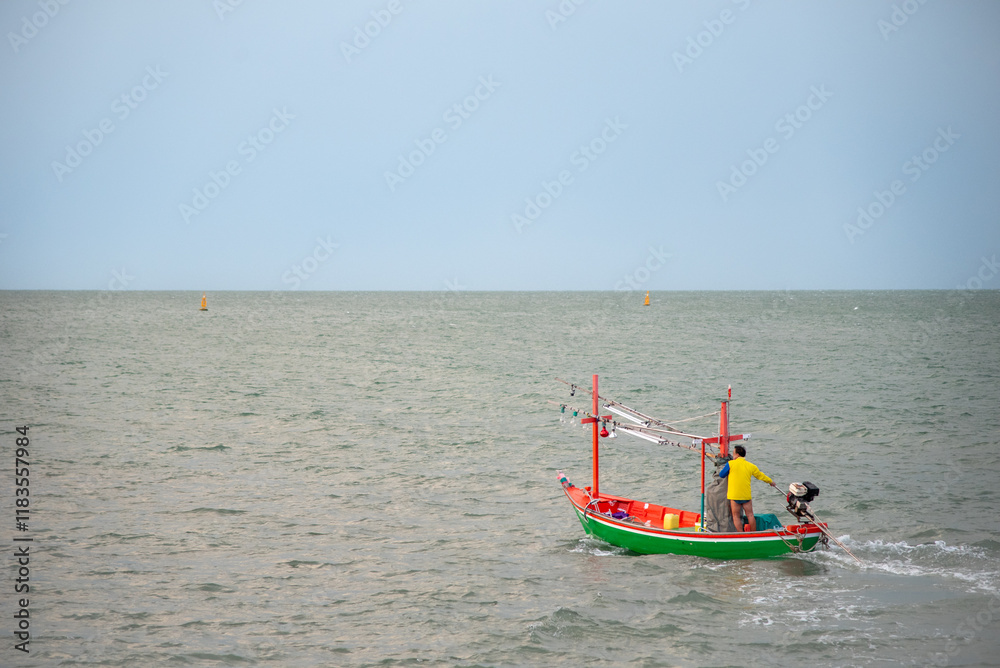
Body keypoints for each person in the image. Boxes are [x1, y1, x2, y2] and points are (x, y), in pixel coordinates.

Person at [719, 445, 777, 532]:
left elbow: (721, 475)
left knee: (736, 516)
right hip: (746, 495)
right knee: (750, 515)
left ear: (737, 455)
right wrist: (770, 481)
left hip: (734, 495)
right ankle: (753, 533)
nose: (733, 455)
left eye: (734, 453)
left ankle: (741, 535)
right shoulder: (751, 466)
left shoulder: (730, 464)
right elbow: (760, 476)